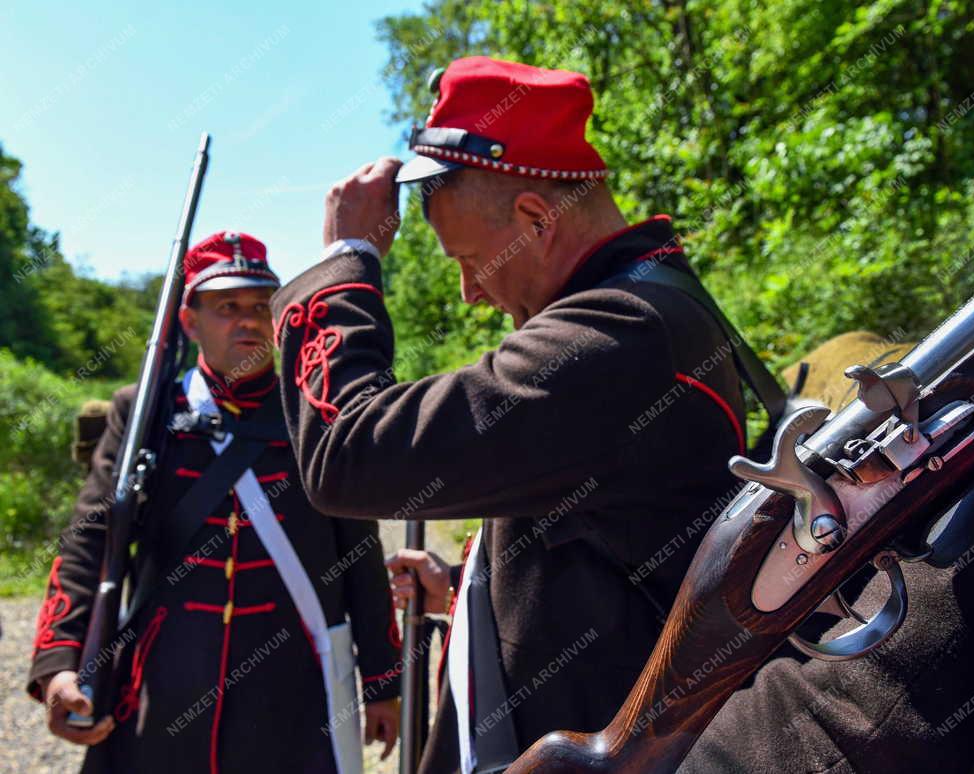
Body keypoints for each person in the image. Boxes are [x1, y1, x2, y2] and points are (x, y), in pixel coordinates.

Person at [270, 56, 748, 773]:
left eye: (468, 259)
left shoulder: (620, 334)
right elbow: (602, 549)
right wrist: (472, 589)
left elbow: (348, 455)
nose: (469, 292)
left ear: (536, 219)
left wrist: (346, 260)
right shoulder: (644, 306)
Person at [27, 231, 400, 773]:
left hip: (291, 688)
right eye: (227, 307)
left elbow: (358, 553)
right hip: (164, 682)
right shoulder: (145, 412)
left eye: (260, 306)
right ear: (189, 321)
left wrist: (382, 681)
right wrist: (60, 663)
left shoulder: (314, 414)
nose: (248, 322)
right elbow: (90, 541)